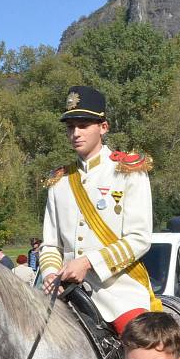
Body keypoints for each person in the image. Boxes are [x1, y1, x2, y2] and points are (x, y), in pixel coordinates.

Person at [40, 85, 160, 335]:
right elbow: (51, 245)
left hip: (118, 293)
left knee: (143, 351)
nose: (75, 133)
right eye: (70, 127)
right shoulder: (59, 180)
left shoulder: (127, 170)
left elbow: (139, 238)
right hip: (65, 296)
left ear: (103, 127)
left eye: (83, 125)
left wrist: (88, 262)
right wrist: (51, 274)